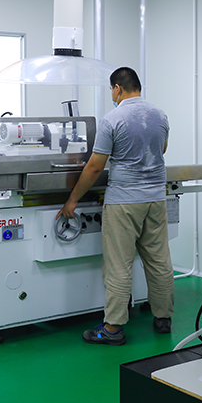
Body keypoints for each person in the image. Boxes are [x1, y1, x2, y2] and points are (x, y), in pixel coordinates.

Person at [57, 67, 174, 345]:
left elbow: (95, 167)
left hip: (124, 201)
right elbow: (161, 150)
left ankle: (112, 329)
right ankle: (163, 318)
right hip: (156, 198)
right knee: (159, 261)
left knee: (119, 265)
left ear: (117, 88)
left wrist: (72, 199)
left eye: (111, 90)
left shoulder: (112, 120)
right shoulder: (160, 116)